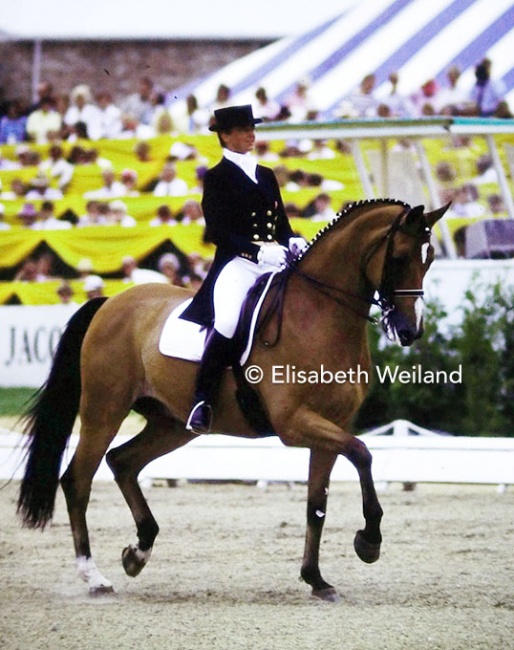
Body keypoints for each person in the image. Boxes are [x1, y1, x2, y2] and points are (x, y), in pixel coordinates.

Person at [181, 104, 307, 434]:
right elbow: (219, 231)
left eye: (252, 128)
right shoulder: (217, 177)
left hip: (275, 261)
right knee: (226, 320)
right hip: (238, 264)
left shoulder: (265, 174)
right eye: (242, 129)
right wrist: (255, 252)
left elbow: (280, 221)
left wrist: (291, 241)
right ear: (225, 136)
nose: (251, 134)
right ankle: (202, 399)